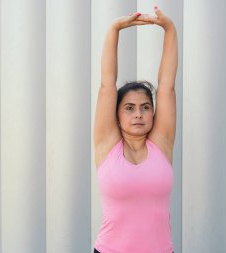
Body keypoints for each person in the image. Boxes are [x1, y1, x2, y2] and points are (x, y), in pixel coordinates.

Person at [93, 6, 178, 253]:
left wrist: (169, 29)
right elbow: (106, 85)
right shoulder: (107, 145)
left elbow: (167, 87)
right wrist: (114, 29)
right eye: (129, 108)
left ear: (153, 112)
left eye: (145, 107)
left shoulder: (161, 143)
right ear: (117, 115)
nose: (138, 114)